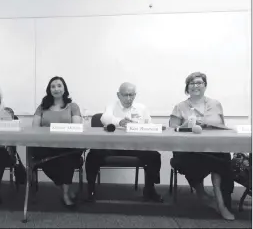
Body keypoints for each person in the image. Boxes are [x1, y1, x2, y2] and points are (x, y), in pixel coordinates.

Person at [169, 72, 235, 220]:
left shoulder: (215, 104)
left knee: (222, 157)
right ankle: (203, 194)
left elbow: (222, 126)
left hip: (213, 147)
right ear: (187, 87)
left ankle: (221, 202)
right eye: (192, 83)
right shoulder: (180, 106)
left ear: (205, 86)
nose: (196, 85)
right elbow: (171, 131)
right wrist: (185, 125)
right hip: (188, 150)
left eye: (199, 82)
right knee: (191, 161)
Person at [85, 82, 163, 203]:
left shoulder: (141, 108)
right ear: (118, 95)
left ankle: (149, 189)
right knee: (93, 155)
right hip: (113, 146)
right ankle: (90, 190)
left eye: (131, 95)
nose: (128, 98)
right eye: (125, 95)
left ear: (135, 95)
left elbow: (149, 124)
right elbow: (104, 118)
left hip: (135, 146)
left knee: (154, 156)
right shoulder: (111, 106)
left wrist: (157, 127)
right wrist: (120, 121)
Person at [31, 76, 84, 209]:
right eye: (53, 86)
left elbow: (77, 127)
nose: (56, 89)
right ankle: (65, 189)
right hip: (46, 146)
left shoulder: (72, 106)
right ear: (49, 90)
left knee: (68, 159)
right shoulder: (42, 107)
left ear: (64, 88)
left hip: (67, 147)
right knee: (40, 157)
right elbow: (35, 128)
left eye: (59, 86)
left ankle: (65, 194)